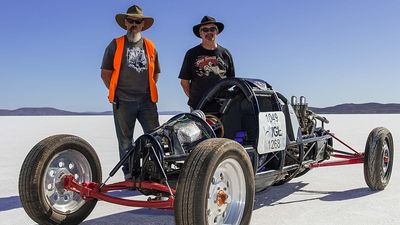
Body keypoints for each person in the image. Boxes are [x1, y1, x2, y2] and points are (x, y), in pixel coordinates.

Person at [101, 5, 160, 180]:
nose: (134, 24)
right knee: (125, 141)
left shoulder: (150, 46)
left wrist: (147, 90)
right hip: (124, 101)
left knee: (153, 136)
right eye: (131, 21)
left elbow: (155, 72)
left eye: (138, 21)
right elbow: (105, 73)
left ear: (143, 25)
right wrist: (117, 92)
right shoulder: (116, 44)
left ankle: (152, 172)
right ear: (125, 23)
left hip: (147, 101)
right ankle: (130, 174)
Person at [179, 16, 235, 110]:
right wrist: (195, 100)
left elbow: (231, 81)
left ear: (217, 32)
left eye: (212, 29)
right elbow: (184, 82)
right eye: (205, 30)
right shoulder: (191, 54)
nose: (209, 32)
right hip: (199, 107)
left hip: (222, 108)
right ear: (200, 33)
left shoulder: (225, 53)